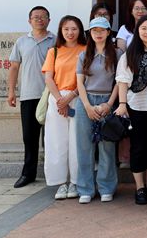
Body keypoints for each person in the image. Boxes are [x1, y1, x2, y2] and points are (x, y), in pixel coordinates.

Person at [115, 15, 147, 205]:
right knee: (138, 147)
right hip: (136, 105)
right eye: (144, 28)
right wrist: (122, 104)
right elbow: (122, 81)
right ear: (138, 31)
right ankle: (140, 187)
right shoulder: (130, 54)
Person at [74, 17, 121, 204]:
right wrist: (87, 106)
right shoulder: (84, 55)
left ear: (108, 32)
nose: (98, 34)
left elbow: (119, 81)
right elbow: (80, 82)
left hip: (107, 100)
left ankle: (106, 187)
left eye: (102, 30)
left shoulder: (117, 54)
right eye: (95, 31)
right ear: (90, 33)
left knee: (107, 146)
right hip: (86, 101)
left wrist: (109, 104)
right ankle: (85, 188)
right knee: (84, 146)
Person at [8, 6, 56, 188]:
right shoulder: (21, 42)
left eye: (43, 17)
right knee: (29, 137)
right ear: (29, 21)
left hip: (51, 95)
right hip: (28, 95)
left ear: (49, 20)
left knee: (51, 138)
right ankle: (28, 174)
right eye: (36, 17)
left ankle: (53, 174)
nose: (39, 20)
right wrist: (11, 91)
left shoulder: (56, 40)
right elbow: (14, 67)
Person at [42, 15, 87, 200]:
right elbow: (48, 78)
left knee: (77, 141)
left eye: (74, 28)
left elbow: (88, 77)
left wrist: (70, 97)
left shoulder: (86, 49)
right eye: (66, 29)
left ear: (80, 30)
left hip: (79, 97)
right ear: (61, 30)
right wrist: (60, 100)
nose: (70, 32)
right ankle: (61, 183)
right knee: (56, 141)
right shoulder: (53, 51)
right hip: (57, 99)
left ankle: (76, 181)